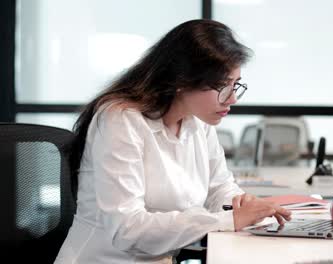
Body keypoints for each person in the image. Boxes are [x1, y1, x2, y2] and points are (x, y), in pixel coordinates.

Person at [55, 19, 291, 264]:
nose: (232, 99)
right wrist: (228, 220)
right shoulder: (120, 119)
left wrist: (242, 205)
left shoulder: (197, 120)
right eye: (222, 86)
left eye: (236, 85)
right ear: (182, 80)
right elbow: (127, 229)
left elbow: (220, 187)